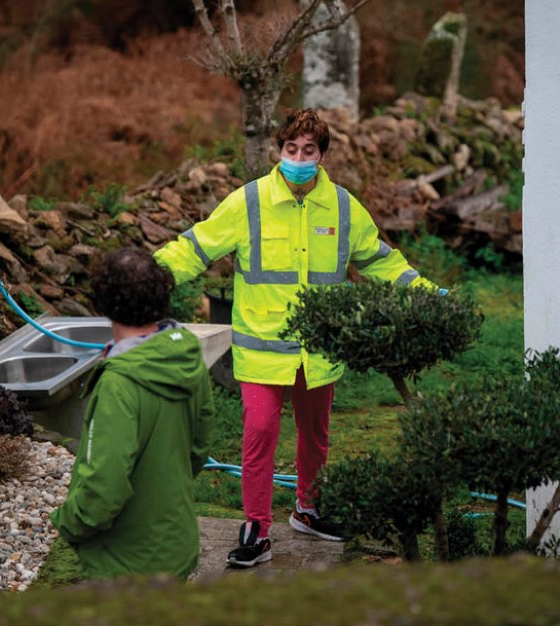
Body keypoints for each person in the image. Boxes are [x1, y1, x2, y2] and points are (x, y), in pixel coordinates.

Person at [154, 108, 444, 568]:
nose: (299, 157)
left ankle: (309, 509)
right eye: (291, 149)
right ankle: (256, 527)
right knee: (259, 435)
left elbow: (381, 261)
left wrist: (428, 294)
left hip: (320, 351)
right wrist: (147, 276)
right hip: (263, 350)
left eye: (309, 150)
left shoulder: (343, 207)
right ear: (279, 150)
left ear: (322, 156)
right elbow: (196, 246)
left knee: (316, 436)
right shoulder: (248, 202)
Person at [50, 246, 214, 581]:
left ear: (104, 303)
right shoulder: (186, 355)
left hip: (127, 562)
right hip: (176, 543)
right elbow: (198, 450)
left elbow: (103, 492)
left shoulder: (118, 384)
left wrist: (68, 522)